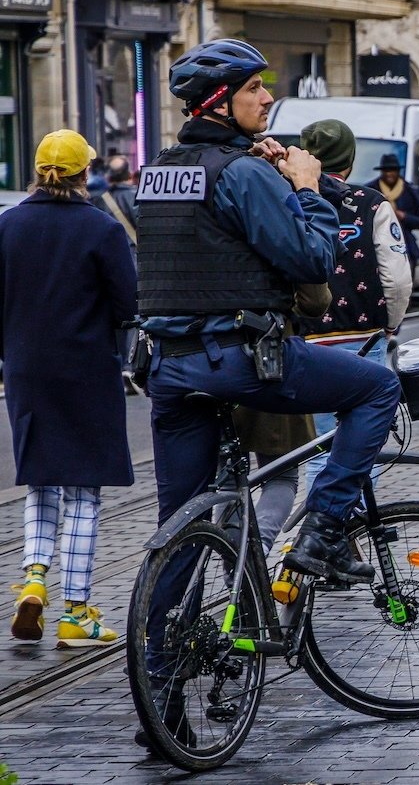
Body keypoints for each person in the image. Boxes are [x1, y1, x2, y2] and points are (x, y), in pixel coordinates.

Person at [139, 38, 401, 598]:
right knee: (379, 388)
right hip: (241, 361)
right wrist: (307, 188)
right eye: (254, 89)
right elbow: (310, 258)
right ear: (217, 102)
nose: (267, 98)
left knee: (180, 527)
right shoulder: (242, 174)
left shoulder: (158, 171)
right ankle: (325, 530)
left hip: (169, 369)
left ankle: (163, 664)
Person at [5, 130, 137, 646]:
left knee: (42, 480)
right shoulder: (101, 230)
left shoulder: (7, 226)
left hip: (26, 369)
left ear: (39, 172)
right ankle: (76, 609)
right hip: (86, 371)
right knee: (83, 491)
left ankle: (33, 577)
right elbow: (130, 307)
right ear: (86, 174)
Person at [293, 119, 412, 509]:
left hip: (307, 339)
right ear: (350, 157)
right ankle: (346, 535)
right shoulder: (371, 203)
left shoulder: (285, 200)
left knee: (319, 450)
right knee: (361, 450)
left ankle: (311, 540)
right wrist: (390, 324)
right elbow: (395, 279)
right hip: (364, 338)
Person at [369, 154, 419, 266]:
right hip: (378, 244)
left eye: (393, 170)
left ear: (398, 171)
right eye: (386, 170)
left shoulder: (409, 191)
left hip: (405, 244)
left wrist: (404, 216)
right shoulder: (371, 190)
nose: (389, 173)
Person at [93, 153, 140, 248]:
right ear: (128, 173)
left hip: (107, 252)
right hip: (132, 252)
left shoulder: (98, 199)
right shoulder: (137, 196)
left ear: (109, 175)